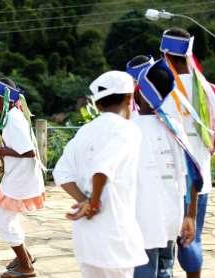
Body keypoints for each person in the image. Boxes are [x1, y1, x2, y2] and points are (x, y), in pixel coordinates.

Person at [53, 71, 148, 278]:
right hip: (114, 231)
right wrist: (94, 204)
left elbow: (61, 173)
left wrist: (84, 201)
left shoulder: (85, 131)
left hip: (87, 237)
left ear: (97, 104)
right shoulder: (128, 130)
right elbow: (101, 169)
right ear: (129, 98)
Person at [132, 58, 200, 278]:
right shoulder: (174, 127)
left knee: (144, 271)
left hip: (142, 221)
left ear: (138, 94)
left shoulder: (128, 130)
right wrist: (190, 216)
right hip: (172, 217)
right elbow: (193, 175)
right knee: (164, 271)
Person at [160, 27, 215, 278]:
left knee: (164, 244)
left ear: (165, 54)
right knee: (193, 238)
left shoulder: (160, 86)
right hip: (200, 178)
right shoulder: (206, 88)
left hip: (169, 179)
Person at [0, 76, 45, 278]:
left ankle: (26, 265)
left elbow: (28, 151)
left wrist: (0, 151)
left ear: (4, 99)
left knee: (3, 215)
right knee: (3, 212)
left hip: (21, 178)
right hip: (18, 176)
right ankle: (24, 256)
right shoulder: (12, 115)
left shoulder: (13, 118)